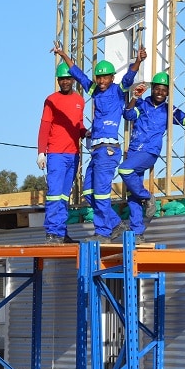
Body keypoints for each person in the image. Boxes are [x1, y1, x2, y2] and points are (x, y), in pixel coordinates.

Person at [52, 43, 145, 243]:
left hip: (108, 149)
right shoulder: (95, 91)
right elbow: (78, 75)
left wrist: (138, 60)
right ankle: (116, 224)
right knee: (88, 192)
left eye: (105, 77)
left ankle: (103, 233)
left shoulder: (119, 91)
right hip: (96, 150)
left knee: (101, 193)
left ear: (112, 77)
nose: (102, 81)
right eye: (99, 77)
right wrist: (63, 54)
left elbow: (129, 76)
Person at [112, 72, 185, 244]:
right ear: (152, 89)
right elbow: (128, 115)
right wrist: (135, 97)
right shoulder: (142, 104)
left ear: (168, 93)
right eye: (157, 89)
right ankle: (137, 233)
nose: (160, 92)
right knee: (132, 195)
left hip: (149, 152)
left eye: (164, 90)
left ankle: (147, 197)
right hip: (134, 151)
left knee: (124, 169)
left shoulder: (169, 110)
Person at [37, 62, 89, 245]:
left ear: (73, 80)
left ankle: (61, 231)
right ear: (58, 81)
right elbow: (44, 126)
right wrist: (41, 152)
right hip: (56, 154)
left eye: (68, 78)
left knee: (65, 196)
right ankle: (52, 232)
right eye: (62, 79)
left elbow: (78, 125)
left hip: (73, 154)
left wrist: (86, 133)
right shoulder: (51, 100)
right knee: (54, 194)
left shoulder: (79, 101)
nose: (65, 82)